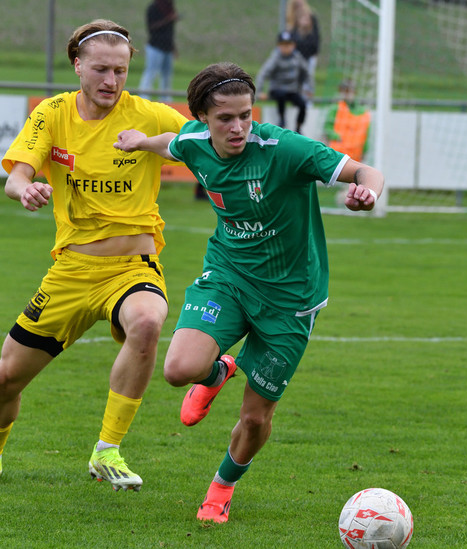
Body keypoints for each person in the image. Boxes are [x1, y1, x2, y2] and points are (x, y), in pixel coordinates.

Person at [114, 61, 384, 522]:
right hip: (229, 276)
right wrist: (140, 142)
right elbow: (172, 144)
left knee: (256, 417)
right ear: (202, 118)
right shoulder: (195, 143)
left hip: (291, 299)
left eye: (245, 115)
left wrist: (368, 194)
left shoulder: (286, 149)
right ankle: (217, 372)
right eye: (225, 118)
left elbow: (365, 171)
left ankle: (220, 489)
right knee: (179, 369)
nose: (238, 127)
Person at [0, 19, 187, 489]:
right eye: (102, 69)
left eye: (121, 71)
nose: (111, 81)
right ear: (77, 66)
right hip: (70, 271)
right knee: (5, 378)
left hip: (131, 267)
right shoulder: (52, 113)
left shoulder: (150, 116)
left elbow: (206, 143)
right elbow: (15, 176)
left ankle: (108, 450)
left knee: (148, 320)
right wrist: (25, 189)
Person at [255, 30, 311, 133]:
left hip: (292, 90)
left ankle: (298, 127)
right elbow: (263, 73)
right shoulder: (275, 58)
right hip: (277, 89)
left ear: (293, 45)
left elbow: (306, 72)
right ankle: (281, 120)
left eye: (288, 45)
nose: (286, 48)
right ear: (279, 46)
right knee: (281, 95)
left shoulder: (297, 58)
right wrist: (259, 91)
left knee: (302, 104)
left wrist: (308, 88)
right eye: (283, 45)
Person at [138, 0, 178, 102]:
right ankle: (143, 97)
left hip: (168, 47)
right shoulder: (153, 7)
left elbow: (170, 32)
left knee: (167, 74)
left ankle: (165, 98)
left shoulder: (170, 7)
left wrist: (173, 47)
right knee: (151, 71)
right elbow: (151, 27)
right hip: (155, 46)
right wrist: (168, 19)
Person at [285, 0, 319, 97]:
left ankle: (308, 102)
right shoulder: (292, 23)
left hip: (309, 56)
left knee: (308, 79)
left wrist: (315, 52)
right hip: (297, 56)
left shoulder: (311, 18)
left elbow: (316, 39)